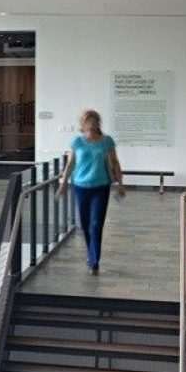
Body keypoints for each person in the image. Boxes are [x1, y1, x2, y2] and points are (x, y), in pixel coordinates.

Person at [57, 109, 125, 273]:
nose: (91, 124)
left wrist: (120, 183)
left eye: (94, 121)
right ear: (83, 123)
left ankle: (95, 261)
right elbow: (70, 164)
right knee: (85, 224)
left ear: (98, 123)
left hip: (101, 187)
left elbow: (115, 162)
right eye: (88, 121)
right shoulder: (77, 141)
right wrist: (63, 183)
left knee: (96, 224)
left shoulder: (106, 141)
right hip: (81, 187)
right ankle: (90, 253)